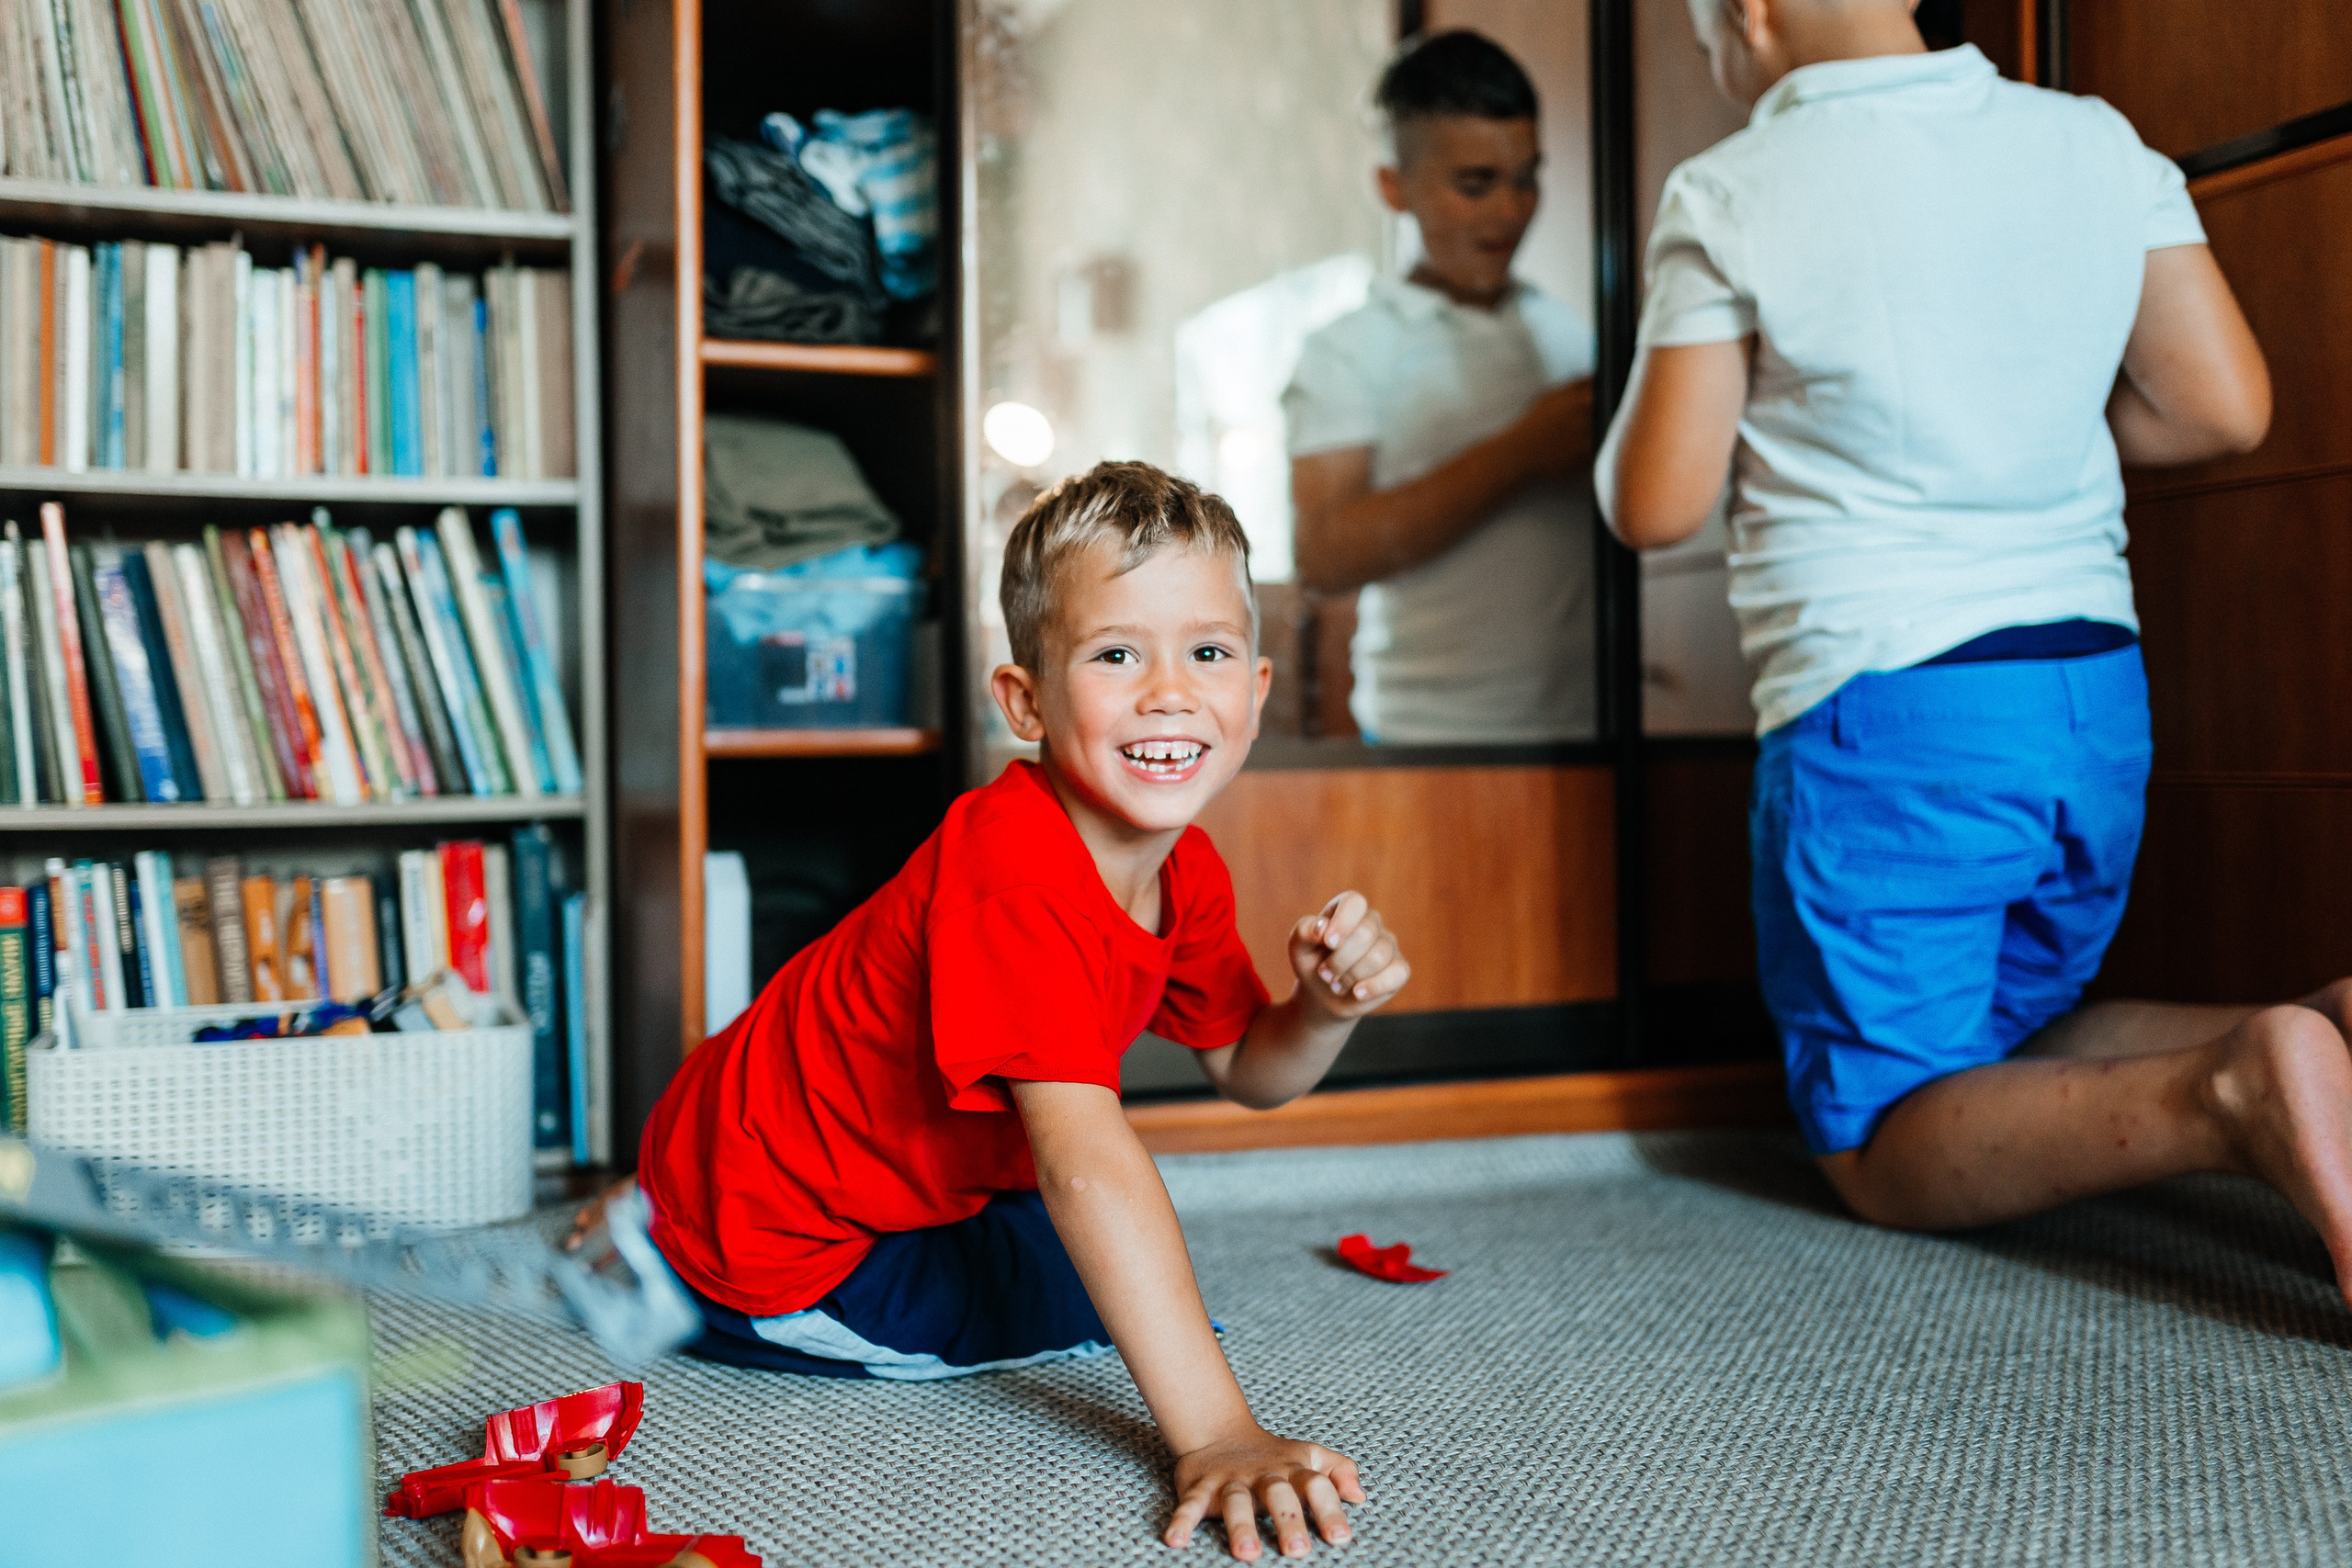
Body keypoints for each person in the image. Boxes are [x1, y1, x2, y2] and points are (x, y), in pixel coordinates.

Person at [1591, 0, 2352, 1299]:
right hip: (2088, 698)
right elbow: (2223, 405)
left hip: (1889, 708)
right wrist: (2017, 432)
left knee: (1883, 1132)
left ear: (1749, 15)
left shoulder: (1730, 191)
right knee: (2018, 1027)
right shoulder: (2094, 140)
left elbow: (1654, 500)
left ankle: (2230, 1090)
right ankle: (2326, 1031)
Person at [618, 462, 1408, 1561]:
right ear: (1025, 700)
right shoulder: (1018, 871)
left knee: (1119, 1263)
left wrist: (1322, 1008)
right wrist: (1217, 1431)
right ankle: (671, 1250)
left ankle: (657, 1204)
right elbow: (1082, 1163)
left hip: (740, 1130)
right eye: (1117, 654)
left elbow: (1246, 1067)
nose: (1170, 692)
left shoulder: (1186, 871)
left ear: (1258, 689)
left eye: (1208, 653)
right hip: (788, 1238)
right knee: (1080, 1296)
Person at [1286, 28, 1597, 745]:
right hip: (1426, 739)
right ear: (1394, 187)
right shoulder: (1347, 350)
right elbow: (1324, 555)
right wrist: (1520, 452)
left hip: (1592, 736)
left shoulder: (1569, 333)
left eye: (1526, 179)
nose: (1510, 211)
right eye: (1476, 184)